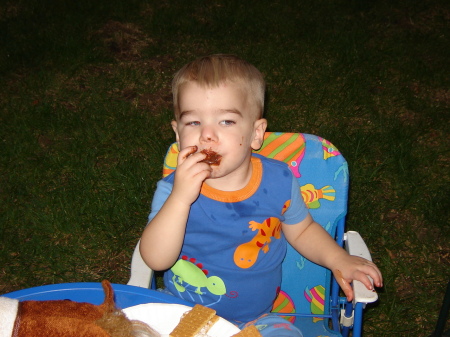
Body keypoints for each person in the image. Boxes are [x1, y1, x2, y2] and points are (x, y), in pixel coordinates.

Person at [139, 54, 383, 336]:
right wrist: (181, 200)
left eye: (226, 121)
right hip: (184, 316)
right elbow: (156, 260)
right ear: (178, 135)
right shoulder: (173, 190)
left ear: (256, 133)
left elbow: (302, 231)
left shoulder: (278, 180)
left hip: (256, 321)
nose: (207, 135)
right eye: (193, 123)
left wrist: (338, 259)